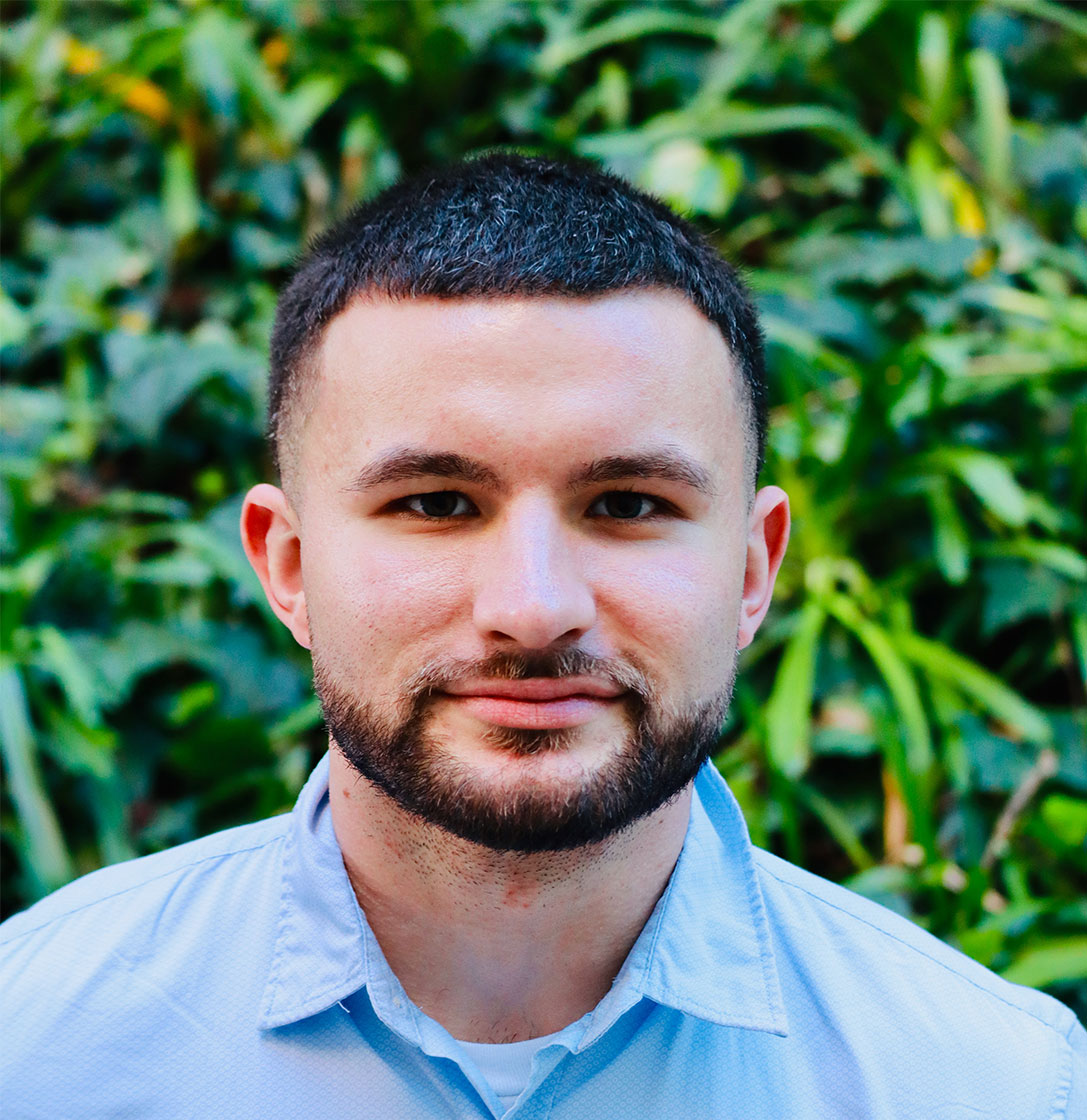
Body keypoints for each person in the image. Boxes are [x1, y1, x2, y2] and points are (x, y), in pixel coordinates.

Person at [1, 154, 1082, 1119]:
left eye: (625, 504)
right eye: (433, 503)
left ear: (751, 571)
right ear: (287, 566)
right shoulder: (38, 1051)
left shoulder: (985, 1086)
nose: (531, 606)